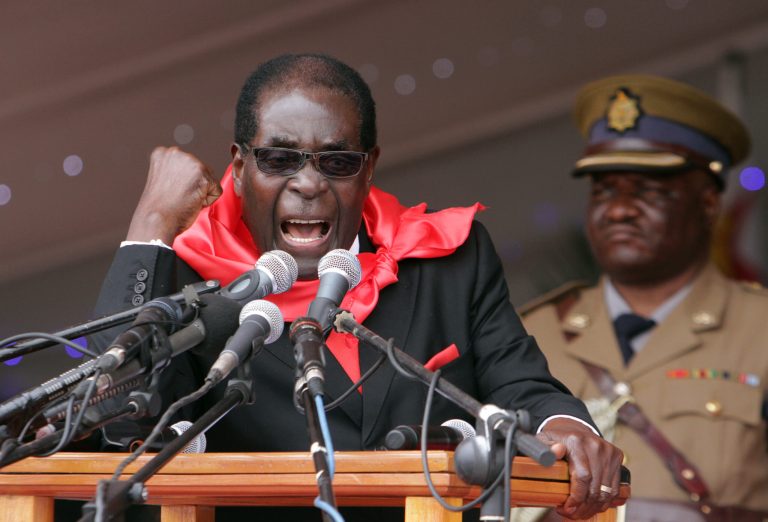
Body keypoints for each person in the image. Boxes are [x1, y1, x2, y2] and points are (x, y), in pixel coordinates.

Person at [90, 54, 623, 520]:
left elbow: (523, 387)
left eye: (338, 161)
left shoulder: (447, 260)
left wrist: (567, 427)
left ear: (368, 169)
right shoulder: (186, 283)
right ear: (241, 167)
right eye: (279, 159)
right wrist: (150, 224)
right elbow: (119, 407)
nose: (308, 183)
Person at [520, 74, 768, 521]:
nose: (619, 209)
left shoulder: (759, 329)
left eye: (649, 190)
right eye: (604, 190)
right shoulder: (531, 333)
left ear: (708, 204)